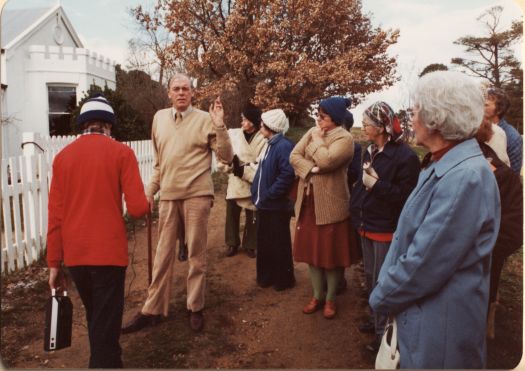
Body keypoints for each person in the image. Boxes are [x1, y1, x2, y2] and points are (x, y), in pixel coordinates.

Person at [369, 71, 501, 369]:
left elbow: (423, 263)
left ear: (436, 119)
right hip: (427, 316)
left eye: (414, 110)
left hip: (439, 328)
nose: (410, 118)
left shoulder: (464, 177)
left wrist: (381, 297)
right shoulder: (446, 165)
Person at [121, 73, 233, 334]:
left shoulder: (206, 120)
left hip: (197, 195)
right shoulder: (159, 118)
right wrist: (150, 191)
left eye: (186, 88)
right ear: (168, 93)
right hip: (169, 196)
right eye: (176, 89)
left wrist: (219, 125)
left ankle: (195, 307)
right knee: (163, 255)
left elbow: (227, 156)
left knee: (196, 253)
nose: (181, 92)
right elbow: (160, 163)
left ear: (192, 93)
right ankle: (153, 309)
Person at [47, 94, 150, 368]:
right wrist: (151, 199)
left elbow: (55, 216)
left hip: (76, 256)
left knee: (97, 318)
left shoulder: (62, 158)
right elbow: (139, 208)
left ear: (83, 125)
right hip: (108, 255)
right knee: (105, 324)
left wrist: (53, 264)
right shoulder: (122, 153)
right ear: (109, 125)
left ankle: (106, 359)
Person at [349, 101, 420, 351]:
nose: (364, 127)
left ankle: (383, 338)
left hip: (386, 228)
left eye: (367, 123)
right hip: (366, 224)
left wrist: (377, 185)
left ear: (381, 127)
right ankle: (375, 318)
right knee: (370, 276)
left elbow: (407, 197)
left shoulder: (406, 157)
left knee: (383, 280)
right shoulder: (368, 150)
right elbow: (361, 184)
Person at [290, 96, 359, 319]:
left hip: (331, 204)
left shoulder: (345, 138)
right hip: (309, 203)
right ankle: (316, 295)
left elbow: (328, 161)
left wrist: (318, 142)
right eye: (317, 115)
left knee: (331, 256)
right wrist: (311, 170)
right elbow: (294, 156)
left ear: (336, 118)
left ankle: (330, 298)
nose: (318, 119)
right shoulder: (313, 131)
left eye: (323, 116)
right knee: (312, 253)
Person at [476, 127, 523, 339]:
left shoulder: (500, 175)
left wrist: (473, 250)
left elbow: (513, 233)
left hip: (476, 280)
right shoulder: (435, 161)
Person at [251, 108, 296, 291]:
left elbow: (287, 175)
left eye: (262, 124)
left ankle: (283, 280)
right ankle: (266, 277)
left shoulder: (283, 146)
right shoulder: (270, 144)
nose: (260, 126)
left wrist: (270, 194)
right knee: (265, 243)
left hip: (276, 205)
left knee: (278, 243)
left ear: (270, 126)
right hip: (266, 204)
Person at [217, 104, 267, 258]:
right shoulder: (233, 134)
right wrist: (229, 168)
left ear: (252, 122)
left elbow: (261, 162)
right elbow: (223, 155)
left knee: (253, 212)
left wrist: (247, 169)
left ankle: (251, 245)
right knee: (232, 211)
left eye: (244, 120)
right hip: (235, 179)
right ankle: (232, 243)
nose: (242, 122)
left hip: (253, 179)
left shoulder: (262, 138)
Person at [484, 87, 522, 174]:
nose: (481, 108)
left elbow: (513, 174)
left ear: (499, 110)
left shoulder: (512, 137)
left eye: (486, 105)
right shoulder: (477, 129)